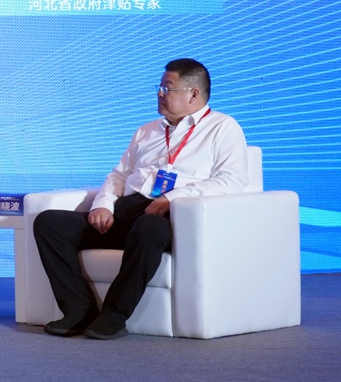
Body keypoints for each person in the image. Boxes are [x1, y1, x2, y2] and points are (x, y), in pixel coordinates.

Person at [32, 58, 247, 340]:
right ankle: (79, 310)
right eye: (159, 87)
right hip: (126, 210)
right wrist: (103, 205)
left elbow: (232, 180)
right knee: (50, 223)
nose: (159, 93)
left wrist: (173, 197)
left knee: (149, 227)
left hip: (171, 216)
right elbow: (119, 175)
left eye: (167, 88)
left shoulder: (223, 128)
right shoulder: (147, 131)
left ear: (193, 94)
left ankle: (114, 315)